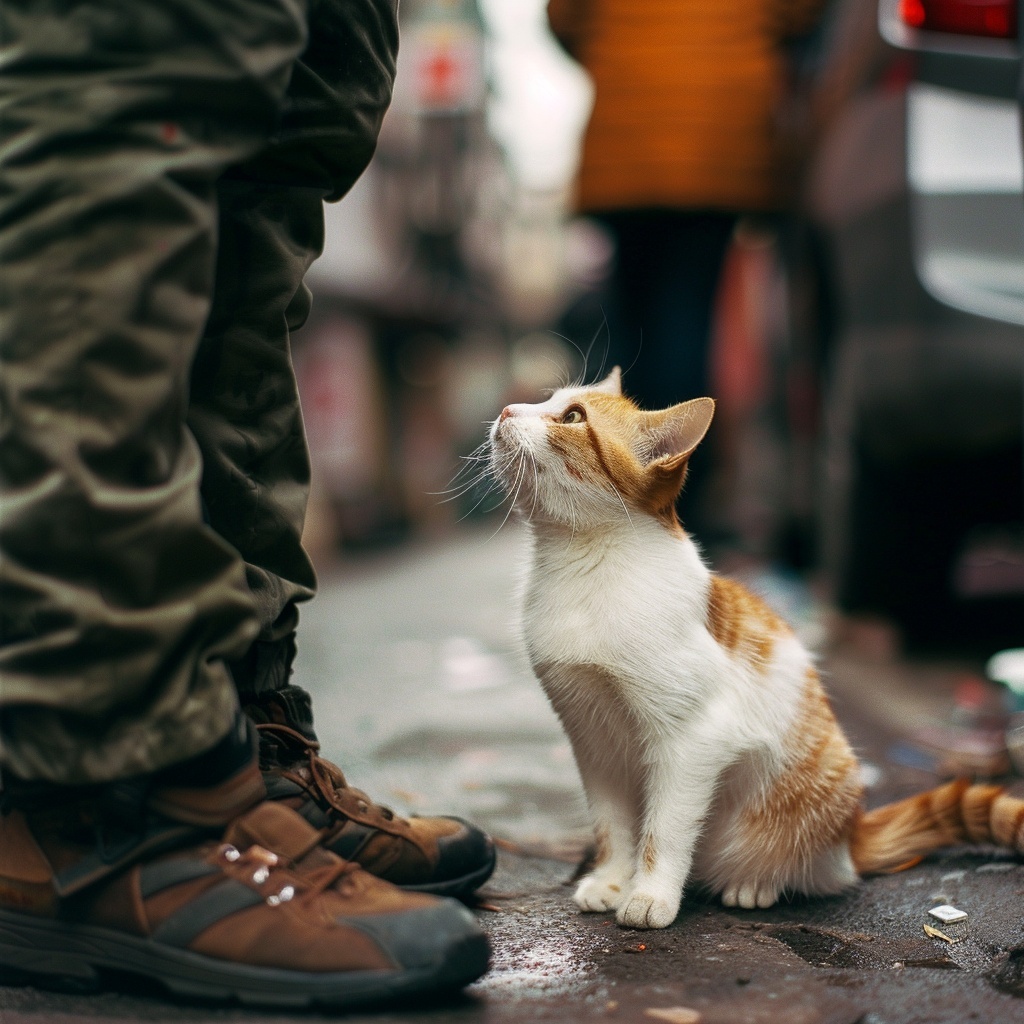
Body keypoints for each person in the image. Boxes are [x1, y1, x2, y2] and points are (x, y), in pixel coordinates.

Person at [0, 0, 493, 1008]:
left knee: (285, 131)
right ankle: (106, 781)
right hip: (94, 769)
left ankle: (231, 718)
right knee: (132, 81)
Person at [547, 0, 826, 537]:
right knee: (688, 324)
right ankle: (677, 499)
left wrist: (624, 53)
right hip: (719, 135)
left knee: (632, 333)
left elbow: (564, 17)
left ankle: (624, 488)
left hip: (626, 137)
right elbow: (801, 14)